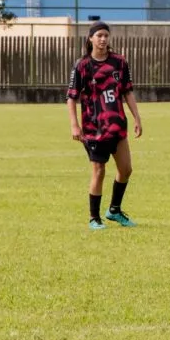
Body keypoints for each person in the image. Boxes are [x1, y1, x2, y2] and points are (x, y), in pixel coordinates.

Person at [67, 21, 143, 230]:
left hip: (117, 125)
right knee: (99, 171)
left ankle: (114, 210)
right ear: (90, 39)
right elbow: (71, 98)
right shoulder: (82, 66)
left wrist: (137, 117)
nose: (103, 39)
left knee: (126, 169)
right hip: (94, 129)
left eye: (106, 35)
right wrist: (75, 126)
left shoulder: (119, 62)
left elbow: (127, 91)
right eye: (99, 35)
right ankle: (94, 218)